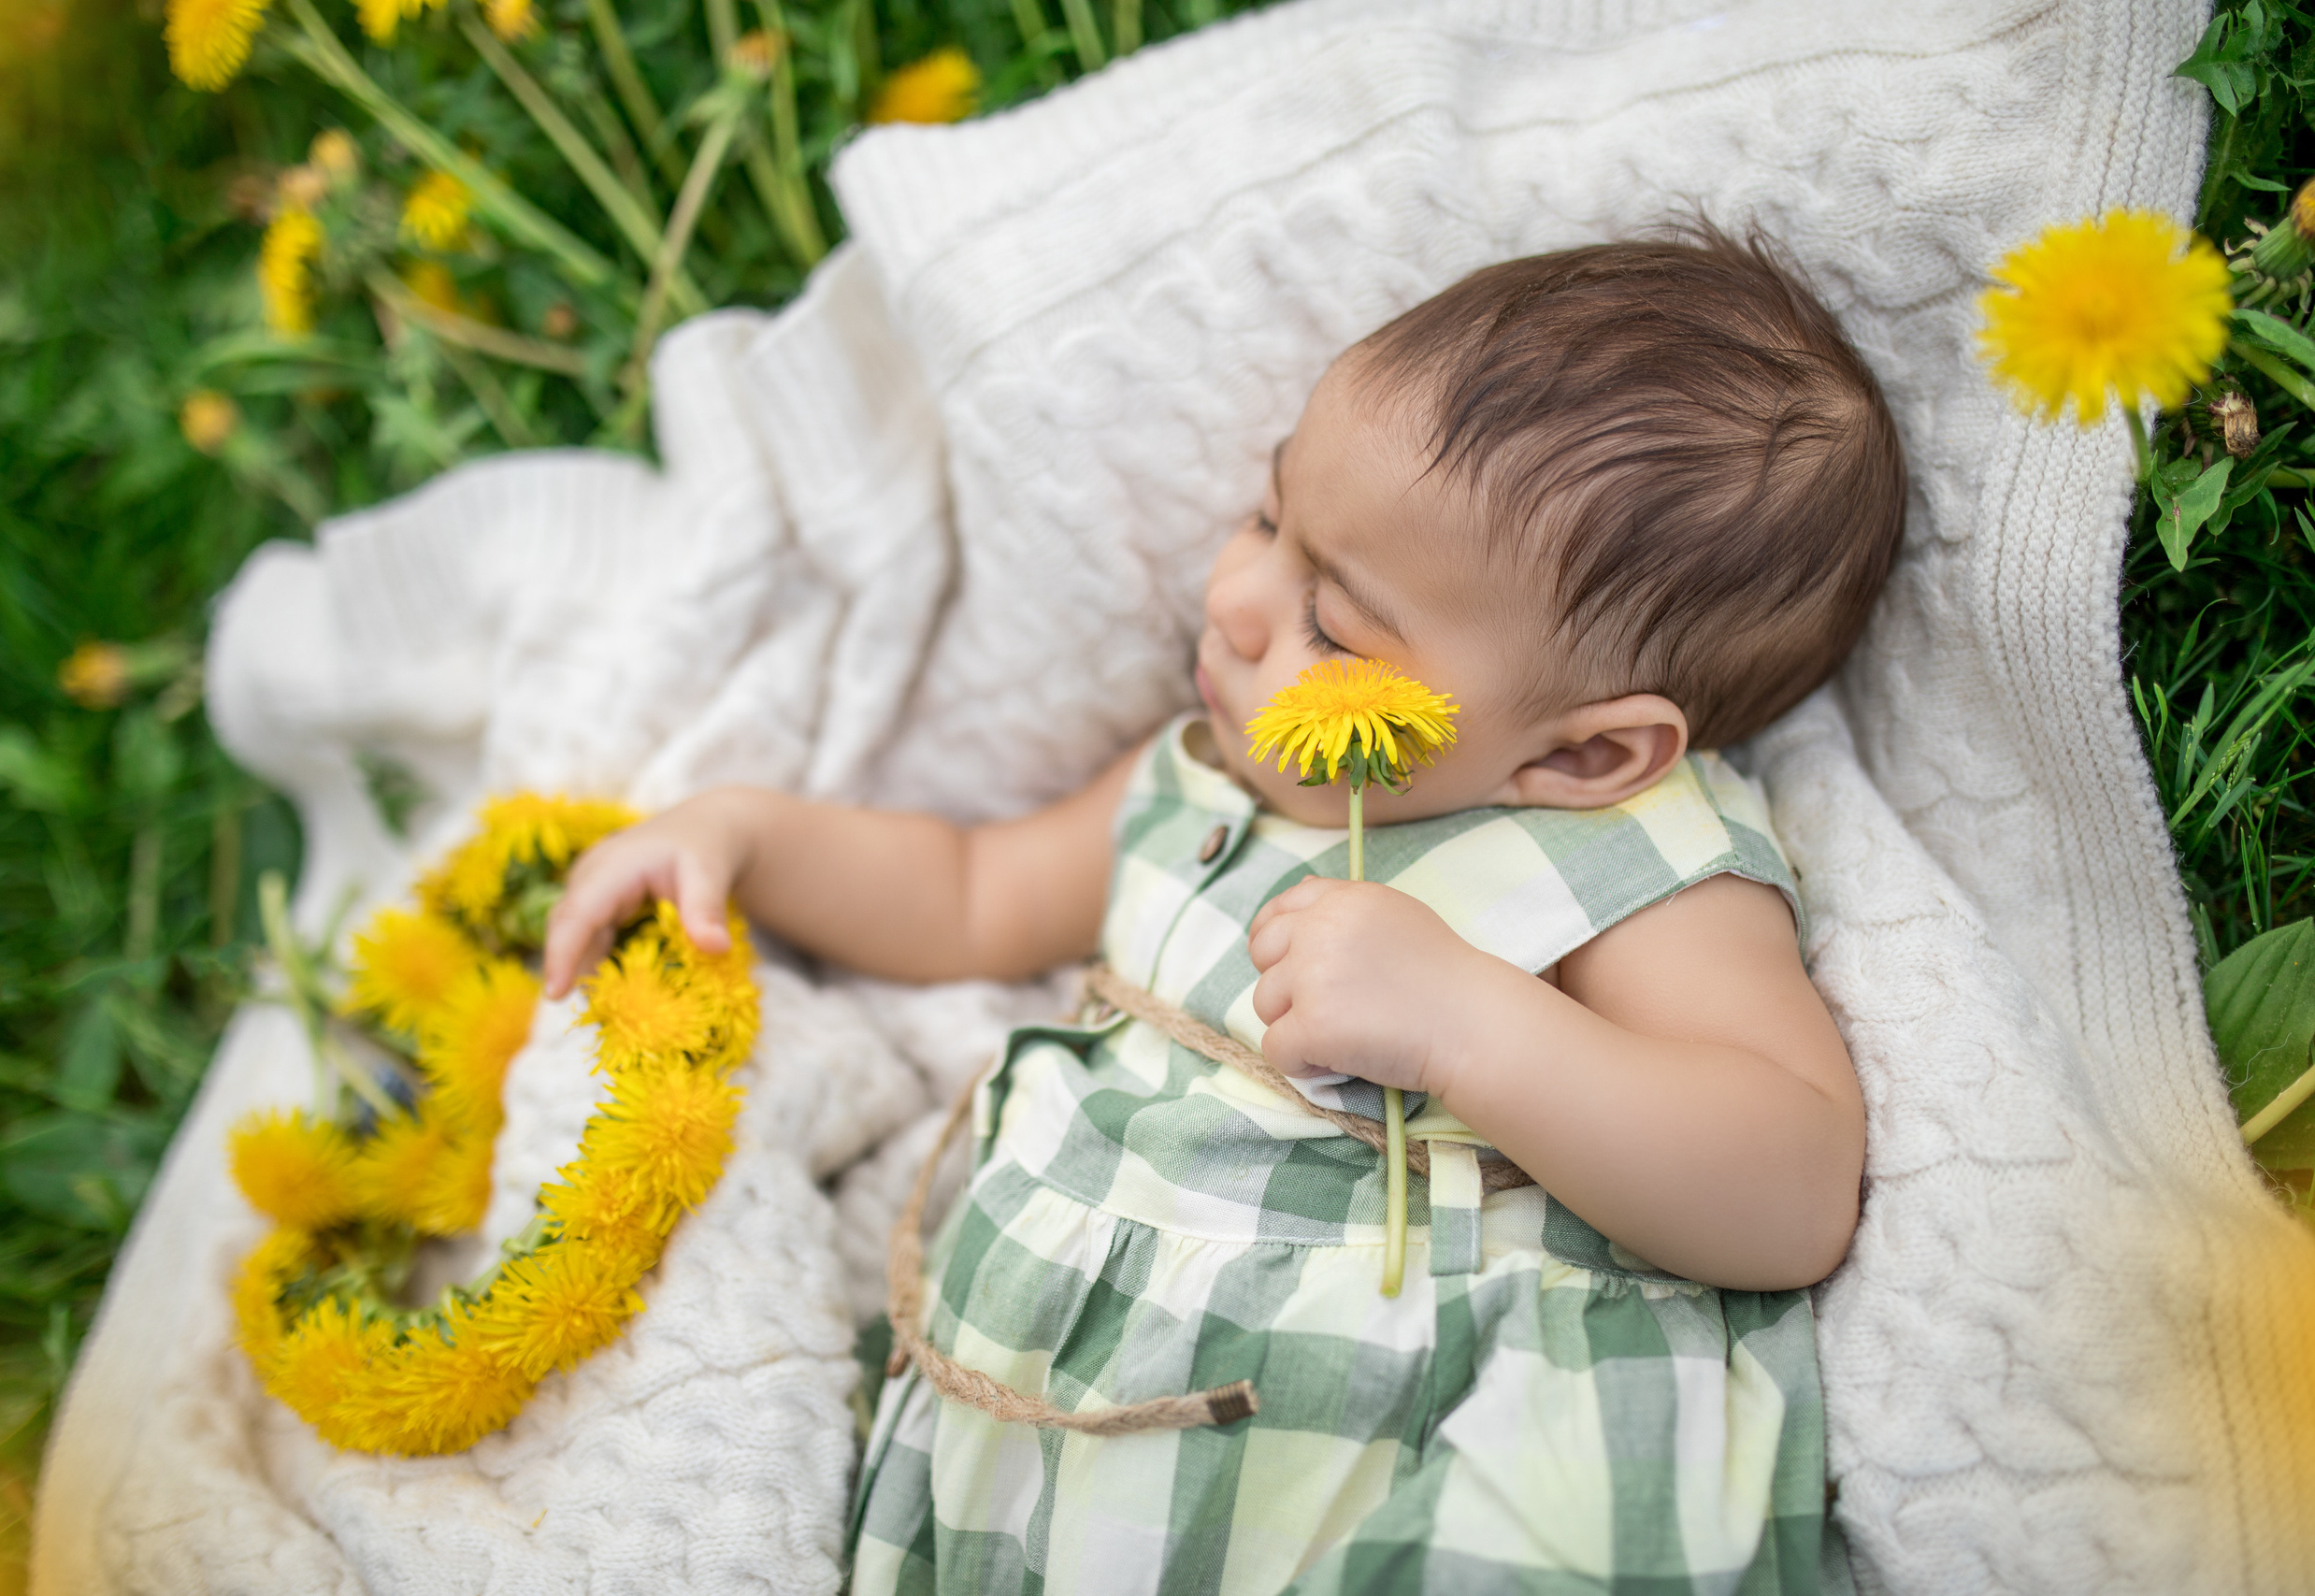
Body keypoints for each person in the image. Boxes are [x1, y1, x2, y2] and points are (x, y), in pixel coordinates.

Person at [541, 226, 1904, 1596]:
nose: (1239, 602)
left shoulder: (1620, 851)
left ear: (1588, 752)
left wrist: (1473, 1027)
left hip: (1423, 1454)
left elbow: (1786, 1189)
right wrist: (750, 837)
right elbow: (970, 895)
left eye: (1339, 630)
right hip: (1064, 1465)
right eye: (1267, 517)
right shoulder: (1191, 779)